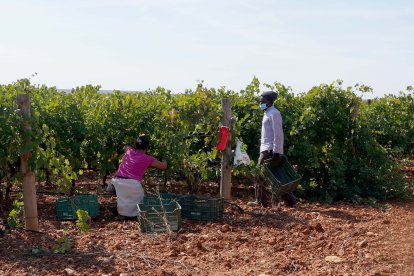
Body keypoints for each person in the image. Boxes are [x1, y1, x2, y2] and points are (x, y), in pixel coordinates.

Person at [110, 135, 167, 217]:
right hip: (132, 184)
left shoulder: (129, 151)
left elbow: (125, 147)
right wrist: (164, 159)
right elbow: (163, 166)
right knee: (139, 199)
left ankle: (119, 210)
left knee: (124, 196)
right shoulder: (148, 158)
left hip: (116, 183)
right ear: (147, 147)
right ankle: (129, 215)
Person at [251, 91, 286, 207]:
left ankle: (261, 202)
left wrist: (276, 151)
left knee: (259, 174)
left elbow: (278, 134)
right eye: (260, 102)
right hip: (265, 148)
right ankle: (289, 200)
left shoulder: (274, 113)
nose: (261, 104)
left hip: (269, 149)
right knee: (271, 176)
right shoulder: (267, 113)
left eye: (263, 102)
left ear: (270, 102)